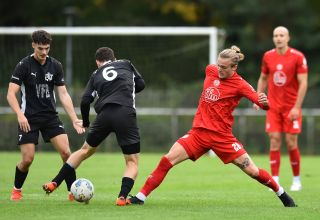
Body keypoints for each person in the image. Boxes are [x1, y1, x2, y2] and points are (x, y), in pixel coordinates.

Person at [127, 46, 297, 207]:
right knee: (166, 160)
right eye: (218, 65)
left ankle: (282, 193)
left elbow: (261, 104)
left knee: (252, 171)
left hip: (222, 137)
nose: (219, 69)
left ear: (234, 68)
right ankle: (140, 197)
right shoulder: (210, 70)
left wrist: (265, 103)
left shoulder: (241, 85)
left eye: (224, 67)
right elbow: (217, 67)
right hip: (198, 134)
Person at [42, 47, 145, 206]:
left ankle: (54, 182)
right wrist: (126, 88)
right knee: (132, 161)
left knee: (84, 151)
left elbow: (85, 101)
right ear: (114, 57)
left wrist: (86, 122)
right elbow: (141, 84)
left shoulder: (96, 74)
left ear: (98, 62)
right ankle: (122, 197)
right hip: (125, 113)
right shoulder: (126, 63)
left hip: (104, 115)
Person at [7, 30, 85, 201]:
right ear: (33, 45)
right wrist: (20, 115)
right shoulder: (24, 65)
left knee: (66, 153)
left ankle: (72, 192)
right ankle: (17, 189)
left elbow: (63, 94)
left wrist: (74, 119)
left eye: (47, 48)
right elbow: (11, 94)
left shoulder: (55, 65)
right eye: (40, 48)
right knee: (27, 159)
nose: (44, 52)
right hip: (29, 118)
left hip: (50, 117)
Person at [254, 26, 308, 191]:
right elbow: (263, 78)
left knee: (291, 143)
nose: (278, 38)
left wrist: (296, 108)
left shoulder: (297, 57)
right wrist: (257, 97)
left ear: (288, 38)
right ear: (273, 38)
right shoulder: (268, 56)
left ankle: (296, 180)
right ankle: (275, 180)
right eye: (276, 35)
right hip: (273, 107)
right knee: (274, 141)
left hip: (291, 108)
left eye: (281, 35)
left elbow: (303, 83)